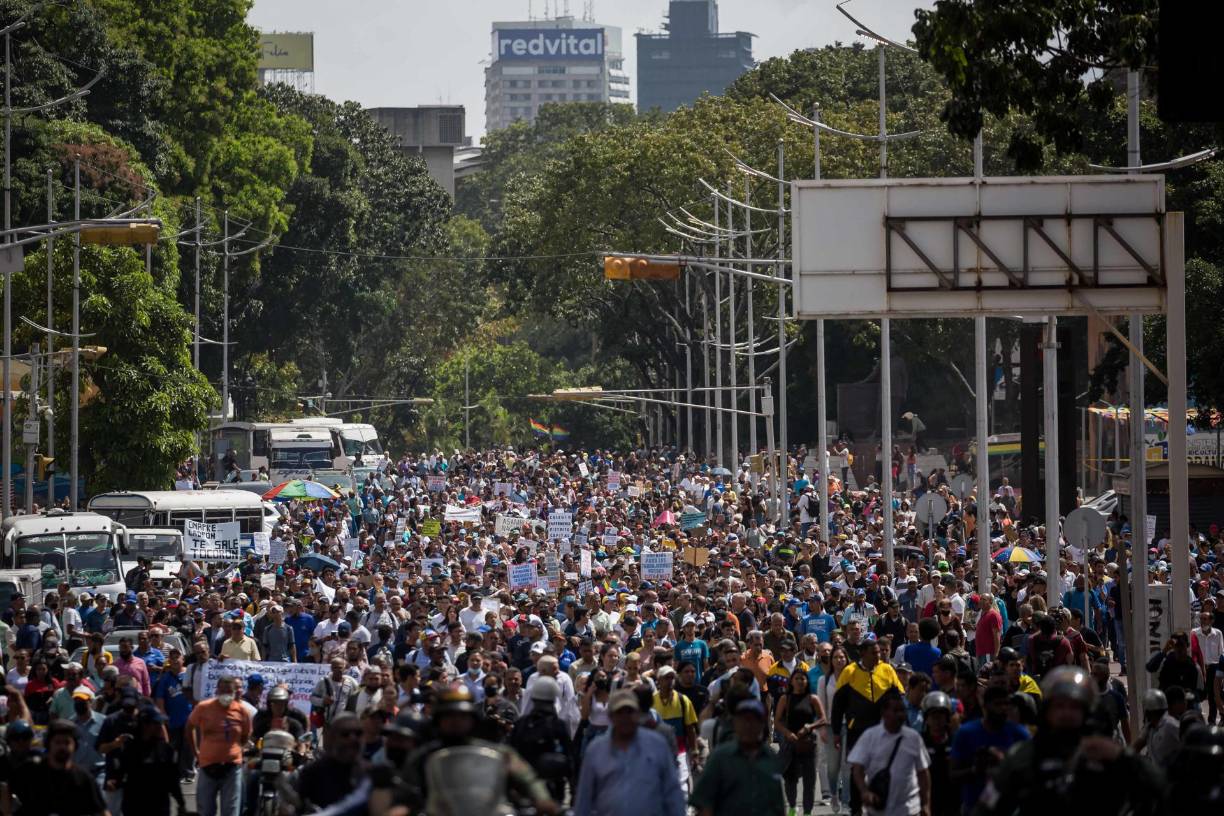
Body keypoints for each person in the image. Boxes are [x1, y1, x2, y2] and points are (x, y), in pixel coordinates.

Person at [972, 666, 1164, 816]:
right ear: (1047, 711)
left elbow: (1162, 791)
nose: (1066, 713)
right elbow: (987, 806)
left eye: (1074, 707)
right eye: (1060, 706)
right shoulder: (1026, 755)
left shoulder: (1104, 753)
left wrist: (1124, 757)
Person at [399, 687, 557, 816]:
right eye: (449, 716)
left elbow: (528, 779)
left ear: (472, 719)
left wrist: (542, 800)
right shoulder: (423, 757)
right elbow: (405, 792)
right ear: (438, 720)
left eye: (462, 716)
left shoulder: (499, 753)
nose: (456, 721)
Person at [573, 688, 684, 816]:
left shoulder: (657, 745)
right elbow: (584, 798)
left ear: (638, 714)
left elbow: (672, 790)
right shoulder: (596, 750)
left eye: (630, 712)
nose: (625, 717)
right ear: (611, 716)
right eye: (620, 712)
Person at [832, 639, 905, 816]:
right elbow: (838, 705)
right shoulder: (850, 672)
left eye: (879, 652)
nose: (878, 655)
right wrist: (836, 732)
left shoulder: (887, 670)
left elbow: (900, 697)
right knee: (857, 768)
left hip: (883, 730)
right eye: (874, 653)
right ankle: (856, 808)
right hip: (857, 730)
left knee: (883, 768)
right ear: (862, 653)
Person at [690, 698, 786, 816]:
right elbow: (704, 804)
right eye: (743, 720)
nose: (748, 725)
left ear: (762, 724)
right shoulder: (720, 757)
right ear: (735, 723)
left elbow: (778, 804)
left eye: (753, 720)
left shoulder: (770, 758)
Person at [847, 689, 931, 816]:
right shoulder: (870, 736)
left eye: (902, 710)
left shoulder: (913, 738)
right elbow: (857, 769)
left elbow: (923, 773)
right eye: (896, 711)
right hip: (879, 809)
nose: (900, 715)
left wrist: (925, 804)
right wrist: (864, 791)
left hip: (909, 809)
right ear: (884, 713)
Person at [950, 685, 1029, 812]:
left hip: (1010, 809)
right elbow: (953, 775)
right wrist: (976, 770)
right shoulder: (966, 733)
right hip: (973, 807)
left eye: (1006, 704)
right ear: (985, 706)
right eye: (998, 704)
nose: (1003, 708)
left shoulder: (1020, 734)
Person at [9, 719, 108, 816]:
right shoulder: (30, 770)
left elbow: (102, 811)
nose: (62, 747)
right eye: (57, 742)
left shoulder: (83, 778)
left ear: (75, 746)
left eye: (67, 742)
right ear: (48, 744)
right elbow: (5, 789)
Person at [187, 674, 251, 816]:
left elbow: (245, 735)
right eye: (222, 690)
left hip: (232, 768)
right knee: (205, 810)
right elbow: (189, 727)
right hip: (207, 766)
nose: (225, 694)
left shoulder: (242, 711)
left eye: (229, 691)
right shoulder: (204, 707)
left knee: (231, 811)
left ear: (234, 692)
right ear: (217, 691)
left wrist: (235, 750)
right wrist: (195, 751)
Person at [510, 675, 574, 803]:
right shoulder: (557, 725)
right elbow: (569, 757)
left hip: (526, 787)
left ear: (533, 698)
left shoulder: (522, 723)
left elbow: (511, 753)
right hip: (548, 789)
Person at [111, 706, 186, 816]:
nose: (160, 726)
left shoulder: (166, 750)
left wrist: (181, 803)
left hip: (159, 807)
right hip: (134, 806)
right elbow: (119, 775)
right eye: (156, 723)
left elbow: (172, 779)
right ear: (144, 725)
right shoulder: (129, 749)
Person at [774, 667, 826, 816]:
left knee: (809, 781)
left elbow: (823, 719)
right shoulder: (786, 698)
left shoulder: (812, 698)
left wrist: (810, 727)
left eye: (802, 679)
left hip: (809, 744)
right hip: (790, 743)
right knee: (790, 780)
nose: (799, 681)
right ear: (791, 681)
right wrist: (787, 733)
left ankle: (808, 812)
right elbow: (777, 721)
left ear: (807, 681)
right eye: (796, 678)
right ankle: (792, 806)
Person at [291, 713, 365, 810]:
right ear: (331, 738)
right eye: (345, 734)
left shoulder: (370, 774)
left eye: (358, 733)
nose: (353, 738)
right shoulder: (313, 772)